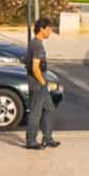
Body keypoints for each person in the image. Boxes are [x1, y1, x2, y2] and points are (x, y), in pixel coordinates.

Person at [24, 17, 60, 150]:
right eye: (49, 29)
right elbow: (35, 67)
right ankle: (31, 141)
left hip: (39, 82)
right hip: (37, 83)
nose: (50, 31)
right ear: (42, 29)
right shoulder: (37, 45)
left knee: (49, 108)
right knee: (35, 112)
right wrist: (43, 82)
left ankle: (47, 138)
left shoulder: (35, 43)